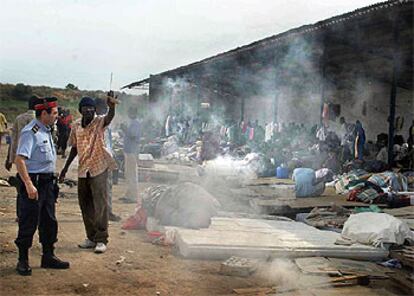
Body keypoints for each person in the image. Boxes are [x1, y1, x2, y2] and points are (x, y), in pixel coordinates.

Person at [14, 96, 69, 276]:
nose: (57, 116)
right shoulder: (31, 132)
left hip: (47, 184)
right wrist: (28, 185)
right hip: (34, 183)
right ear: (43, 113)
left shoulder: (47, 130)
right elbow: (19, 160)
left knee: (49, 222)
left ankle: (48, 256)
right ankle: (23, 260)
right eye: (54, 113)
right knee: (28, 222)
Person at [59, 95, 117, 254]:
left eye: (92, 107)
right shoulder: (76, 125)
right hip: (83, 170)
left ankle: (101, 239)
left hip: (99, 168)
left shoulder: (99, 122)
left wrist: (112, 107)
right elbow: (75, 148)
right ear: (81, 110)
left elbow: (109, 118)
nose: (89, 110)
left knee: (100, 205)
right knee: (85, 205)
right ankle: (91, 237)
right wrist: (64, 169)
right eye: (86, 107)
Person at [95, 98, 121, 221]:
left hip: (104, 159)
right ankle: (106, 212)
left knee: (105, 188)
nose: (106, 110)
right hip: (101, 160)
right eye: (104, 108)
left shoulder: (102, 122)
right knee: (104, 188)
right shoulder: (99, 122)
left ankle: (105, 212)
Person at [5, 95, 37, 171]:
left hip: (20, 155)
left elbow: (13, 139)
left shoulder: (19, 118)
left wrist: (9, 158)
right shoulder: (40, 121)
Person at [119, 107, 141, 204]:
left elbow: (133, 136)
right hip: (128, 151)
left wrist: (125, 129)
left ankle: (133, 197)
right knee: (128, 174)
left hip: (132, 152)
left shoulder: (136, 123)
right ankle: (128, 194)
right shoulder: (132, 123)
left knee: (132, 175)